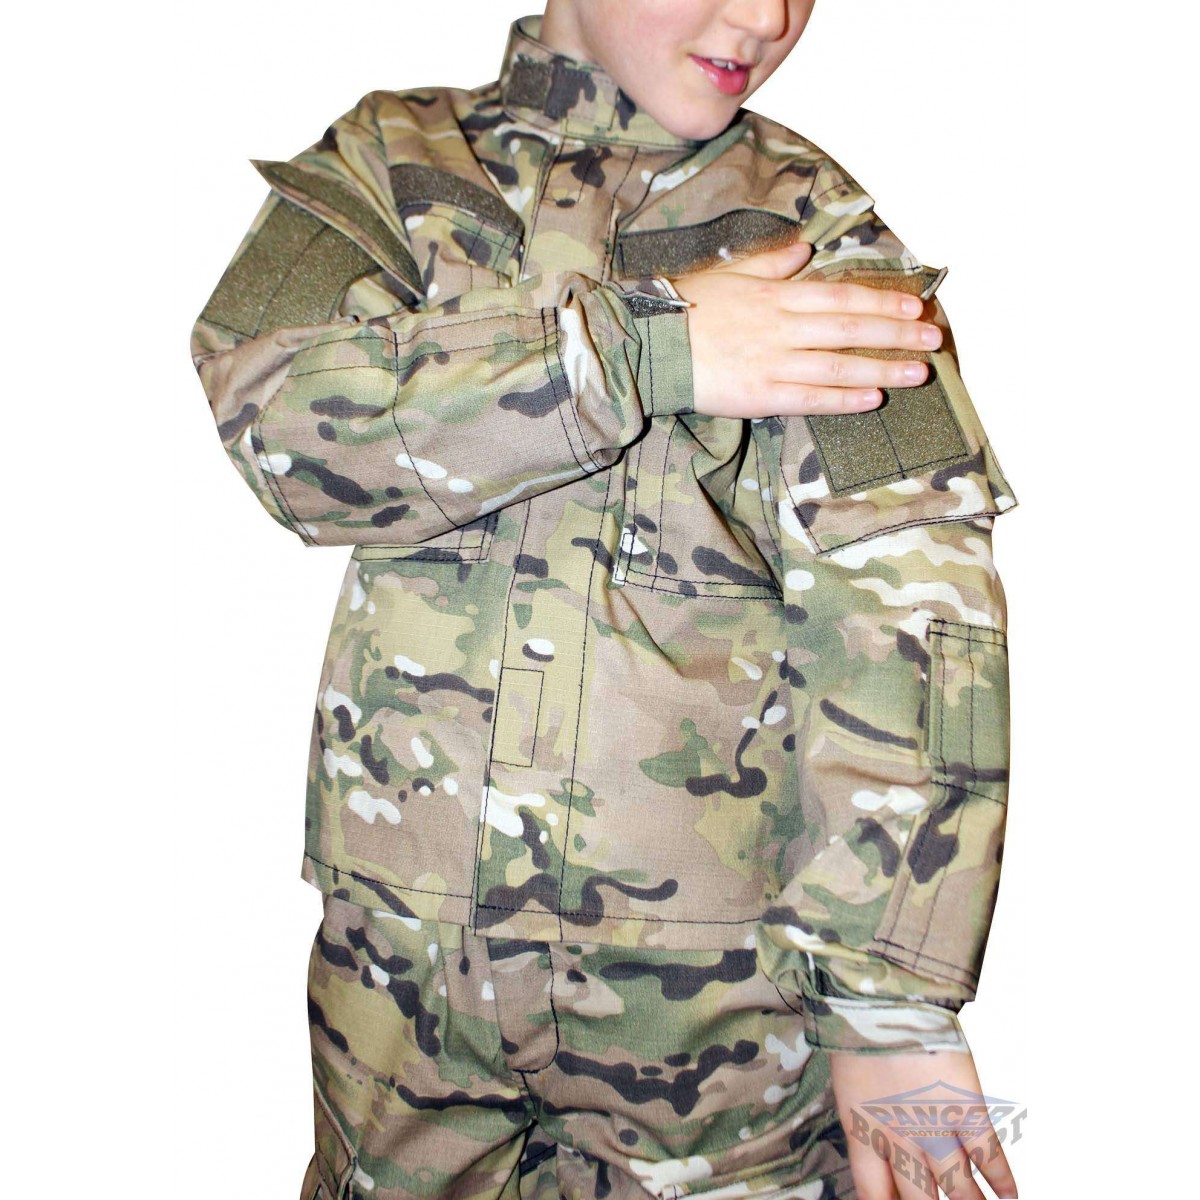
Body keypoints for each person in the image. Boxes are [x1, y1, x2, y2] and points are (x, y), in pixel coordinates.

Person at [189, 2, 1020, 1197]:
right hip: (398, 990)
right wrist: (643, 351)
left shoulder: (808, 228)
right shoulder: (391, 165)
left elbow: (913, 616)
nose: (766, 16)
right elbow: (280, 423)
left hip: (718, 1011)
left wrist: (889, 1002)